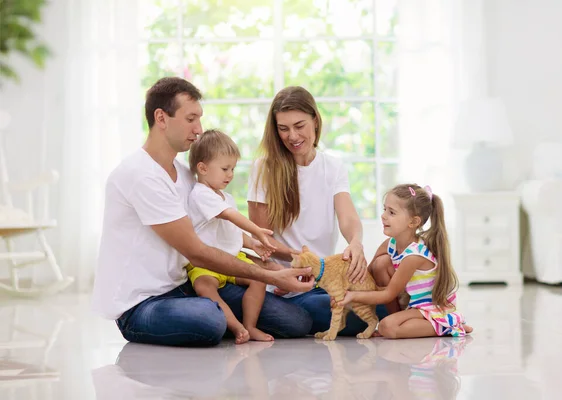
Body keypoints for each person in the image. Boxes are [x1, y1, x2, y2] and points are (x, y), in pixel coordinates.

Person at [91, 77, 315, 347]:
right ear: (161, 118)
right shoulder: (140, 175)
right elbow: (196, 251)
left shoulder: (187, 175)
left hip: (183, 286)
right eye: (190, 119)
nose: (198, 130)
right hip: (142, 304)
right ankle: (218, 317)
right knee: (210, 320)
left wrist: (263, 260)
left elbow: (217, 230)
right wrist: (271, 275)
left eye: (199, 119)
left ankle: (225, 318)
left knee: (296, 321)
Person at [247, 85, 387, 336]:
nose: (292, 136)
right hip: (283, 283)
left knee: (384, 299)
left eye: (299, 126)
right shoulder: (263, 168)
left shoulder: (332, 166)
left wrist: (355, 242)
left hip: (323, 280)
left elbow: (348, 217)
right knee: (326, 312)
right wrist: (291, 269)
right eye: (283, 128)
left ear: (315, 121)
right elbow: (262, 238)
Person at [338, 184, 474, 338]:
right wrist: (343, 283)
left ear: (413, 222)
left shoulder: (413, 256)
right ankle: (400, 319)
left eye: (392, 212)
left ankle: (449, 324)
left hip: (430, 308)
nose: (384, 216)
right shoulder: (390, 244)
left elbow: (388, 295)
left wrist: (352, 296)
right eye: (385, 210)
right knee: (380, 264)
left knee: (387, 327)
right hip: (412, 306)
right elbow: (368, 275)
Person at [186, 129, 277, 344]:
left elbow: (233, 231)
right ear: (203, 168)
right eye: (225, 169)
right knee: (205, 288)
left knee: (259, 278)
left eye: (233, 169)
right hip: (206, 263)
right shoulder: (201, 194)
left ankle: (250, 326)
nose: (230, 174)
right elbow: (230, 217)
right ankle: (236, 327)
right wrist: (257, 230)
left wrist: (252, 243)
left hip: (233, 260)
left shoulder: (225, 196)